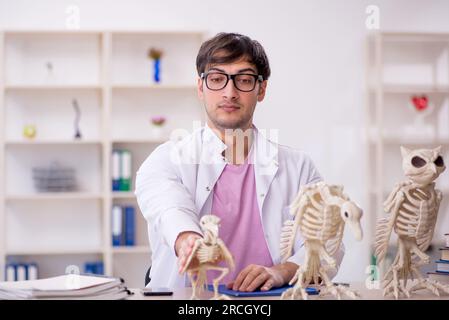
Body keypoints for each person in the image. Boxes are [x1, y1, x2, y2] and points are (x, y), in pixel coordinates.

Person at [135, 32, 344, 291]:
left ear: (261, 89)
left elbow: (328, 243)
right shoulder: (167, 159)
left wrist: (282, 271)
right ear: (201, 88)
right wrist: (187, 240)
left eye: (244, 80)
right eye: (217, 79)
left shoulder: (298, 167)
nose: (230, 92)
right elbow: (168, 209)